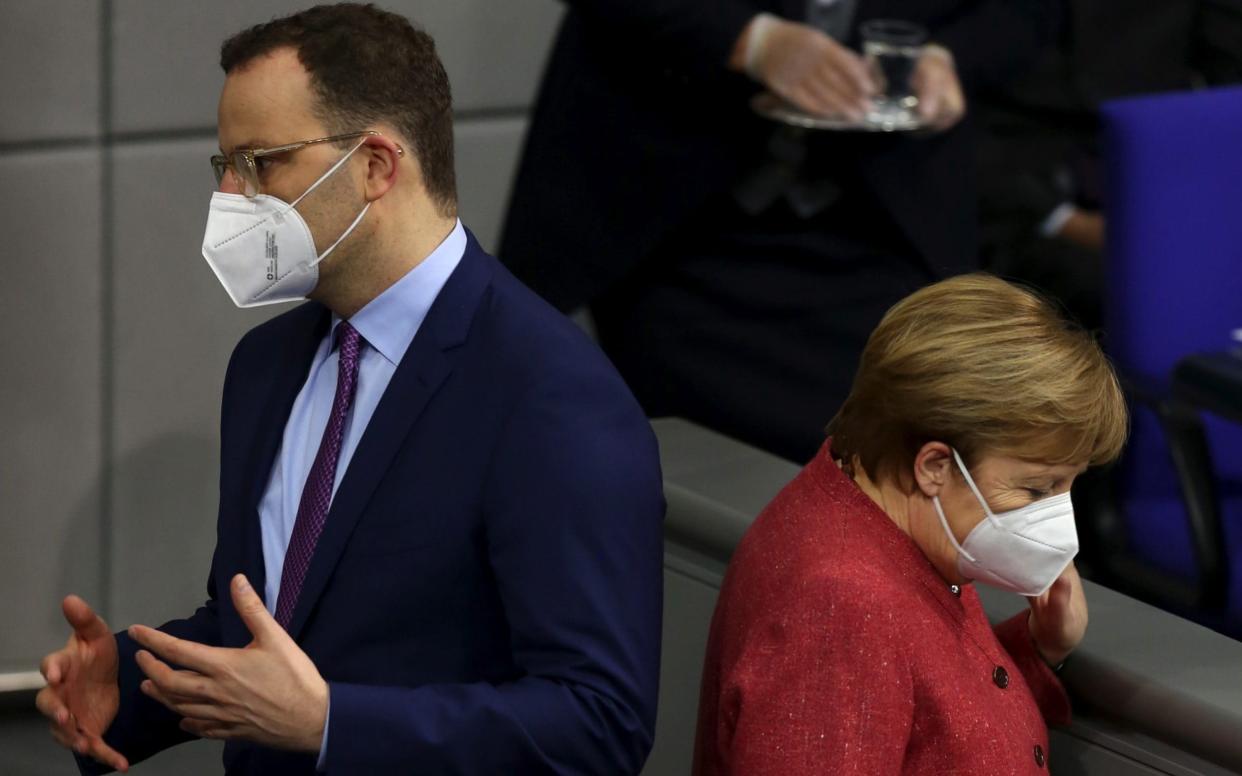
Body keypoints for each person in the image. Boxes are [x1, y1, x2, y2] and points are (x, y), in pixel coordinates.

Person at [35, 5, 665, 774]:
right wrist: (128, 691)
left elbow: (598, 724)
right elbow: (266, 628)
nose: (230, 194)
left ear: (374, 166)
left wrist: (335, 724)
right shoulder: (266, 366)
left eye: (261, 162)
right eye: (223, 165)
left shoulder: (553, 397)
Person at [500, 0, 1054, 463]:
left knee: (876, 462)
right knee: (667, 477)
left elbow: (1028, 9)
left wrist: (952, 56)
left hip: (883, 218)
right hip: (677, 207)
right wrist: (750, 40)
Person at [693, 274, 1128, 774]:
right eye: (1036, 489)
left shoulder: (868, 507)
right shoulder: (843, 607)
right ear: (934, 467)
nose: (1054, 515)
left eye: (1071, 484)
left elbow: (928, 715)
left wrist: (1036, 647)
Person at [977, 0, 1242, 331]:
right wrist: (1063, 219)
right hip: (1013, 194)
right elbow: (955, 87)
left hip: (1154, 183)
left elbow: (1229, 84)